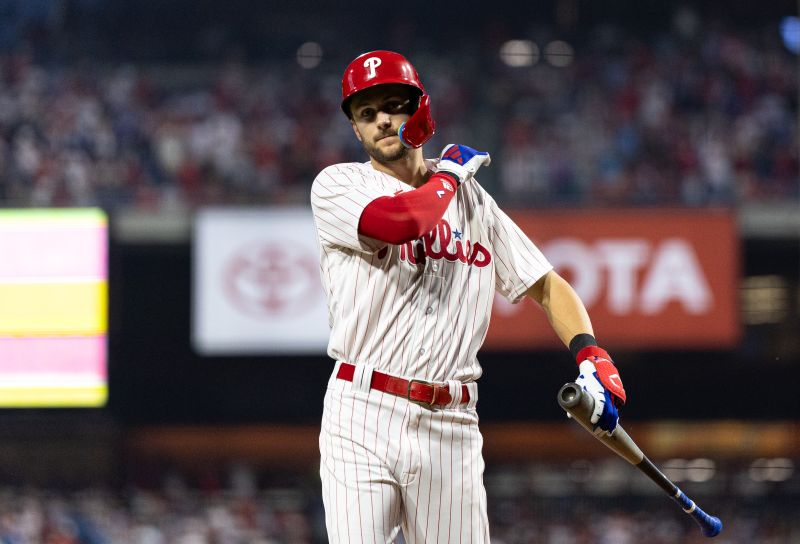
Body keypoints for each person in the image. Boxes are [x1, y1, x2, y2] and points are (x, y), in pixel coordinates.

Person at [309, 50, 627, 543]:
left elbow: (547, 285)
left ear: (421, 111)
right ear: (354, 128)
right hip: (362, 411)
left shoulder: (474, 200)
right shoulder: (338, 184)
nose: (382, 120)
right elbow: (402, 223)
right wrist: (450, 176)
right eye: (366, 114)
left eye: (394, 104)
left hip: (452, 422)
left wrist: (591, 353)